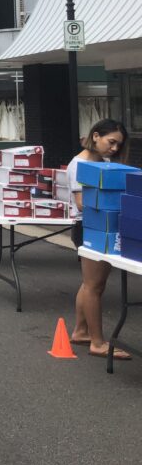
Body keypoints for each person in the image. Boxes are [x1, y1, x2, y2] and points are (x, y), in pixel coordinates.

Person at [70, 119, 131, 360]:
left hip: (100, 228)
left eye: (118, 145)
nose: (114, 149)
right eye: (111, 142)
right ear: (95, 136)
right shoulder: (80, 164)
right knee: (93, 286)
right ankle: (97, 342)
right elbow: (81, 203)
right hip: (88, 227)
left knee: (91, 284)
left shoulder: (104, 164)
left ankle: (81, 331)